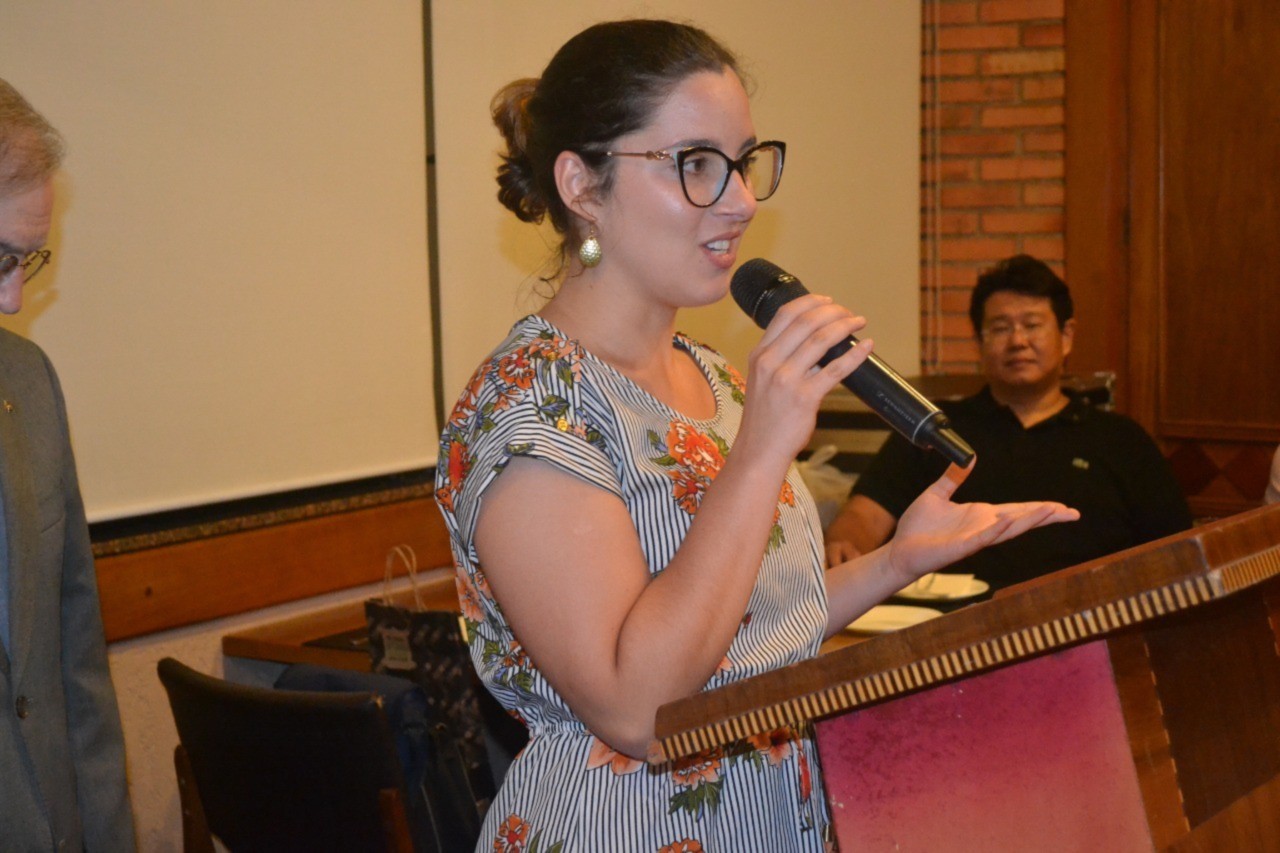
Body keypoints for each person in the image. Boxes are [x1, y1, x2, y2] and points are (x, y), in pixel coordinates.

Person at [434, 21, 1077, 850]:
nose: (740, 200)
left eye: (743, 163)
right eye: (696, 164)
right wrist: (764, 448)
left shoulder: (715, 377)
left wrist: (898, 560)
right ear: (582, 184)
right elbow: (638, 708)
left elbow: (752, 635)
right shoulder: (530, 406)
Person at [825, 254, 1192, 590]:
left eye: (1032, 325)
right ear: (979, 342)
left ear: (1066, 336)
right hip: (950, 626)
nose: (1018, 341)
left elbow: (1175, 552)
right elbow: (865, 514)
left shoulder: (1120, 440)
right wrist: (846, 545)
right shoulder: (935, 430)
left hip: (1086, 624)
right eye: (1000, 328)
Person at [0, 79, 137, 850]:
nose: (14, 300)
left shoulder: (28, 382)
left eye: (29, 261)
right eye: (0, 259)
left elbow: (75, 656)